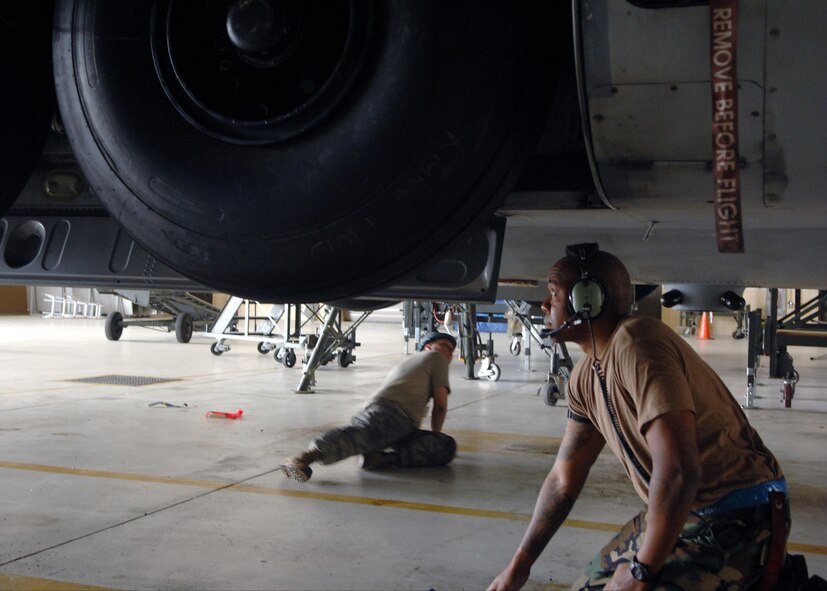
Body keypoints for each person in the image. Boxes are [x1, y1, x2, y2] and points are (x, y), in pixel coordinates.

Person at [489, 243, 787, 590]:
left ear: (587, 301)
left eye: (553, 294)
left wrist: (642, 572)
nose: (544, 304)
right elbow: (562, 480)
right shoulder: (585, 376)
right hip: (686, 515)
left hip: (739, 516)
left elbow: (678, 469)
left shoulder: (638, 345)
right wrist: (518, 567)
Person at [280, 331, 458, 482]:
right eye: (444, 345)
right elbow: (440, 406)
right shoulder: (436, 357)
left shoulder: (418, 363)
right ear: (428, 346)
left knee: (445, 446)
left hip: (398, 422)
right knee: (359, 437)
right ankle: (303, 458)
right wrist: (435, 434)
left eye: (452, 350)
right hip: (390, 415)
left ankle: (379, 458)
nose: (449, 352)